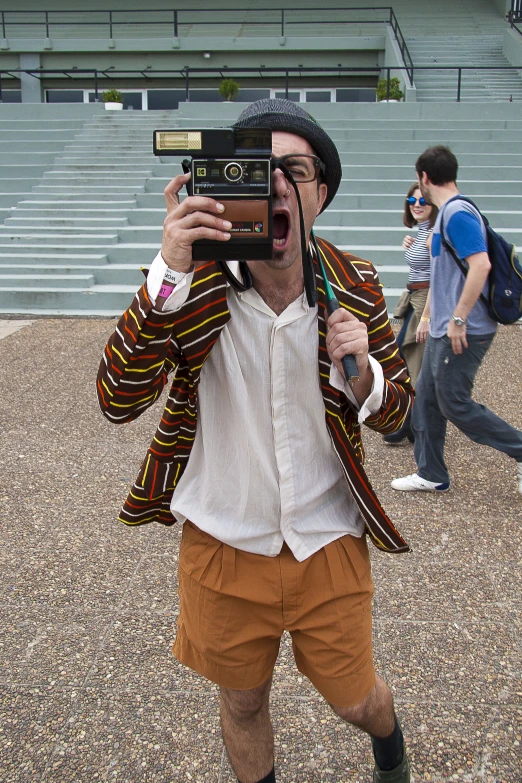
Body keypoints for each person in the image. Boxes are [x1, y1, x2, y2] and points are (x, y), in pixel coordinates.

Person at [98, 99, 414, 783]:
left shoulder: (354, 285)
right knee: (242, 702)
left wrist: (365, 378)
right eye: (252, 167)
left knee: (358, 700)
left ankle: (391, 751)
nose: (272, 182)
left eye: (291, 169)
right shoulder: (191, 284)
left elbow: (399, 418)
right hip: (223, 541)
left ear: (319, 194)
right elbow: (116, 399)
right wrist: (167, 269)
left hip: (326, 539)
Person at [391, 145, 522, 494]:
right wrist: (430, 318)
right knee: (428, 399)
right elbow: (441, 275)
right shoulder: (444, 215)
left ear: (424, 177)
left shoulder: (457, 214)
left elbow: (481, 265)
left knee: (455, 403)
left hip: (465, 331)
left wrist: (459, 319)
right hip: (441, 329)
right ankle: (431, 472)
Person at [383, 184, 437, 445]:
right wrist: (413, 244)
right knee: (405, 360)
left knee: (412, 364)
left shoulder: (433, 235)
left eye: (423, 200)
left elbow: (439, 280)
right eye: (412, 199)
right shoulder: (423, 232)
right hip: (415, 299)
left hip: (425, 303)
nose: (416, 204)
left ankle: (416, 426)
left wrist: (426, 318)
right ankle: (412, 423)